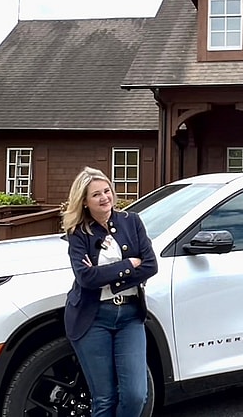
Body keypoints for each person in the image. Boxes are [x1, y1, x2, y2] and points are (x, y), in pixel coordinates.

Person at [62, 166, 158, 417]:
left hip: (130, 316)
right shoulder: (78, 233)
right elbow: (85, 278)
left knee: (136, 395)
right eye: (96, 194)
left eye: (107, 191)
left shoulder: (132, 221)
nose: (105, 198)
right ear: (84, 201)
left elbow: (150, 265)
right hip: (92, 318)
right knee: (105, 399)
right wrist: (128, 264)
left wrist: (105, 275)